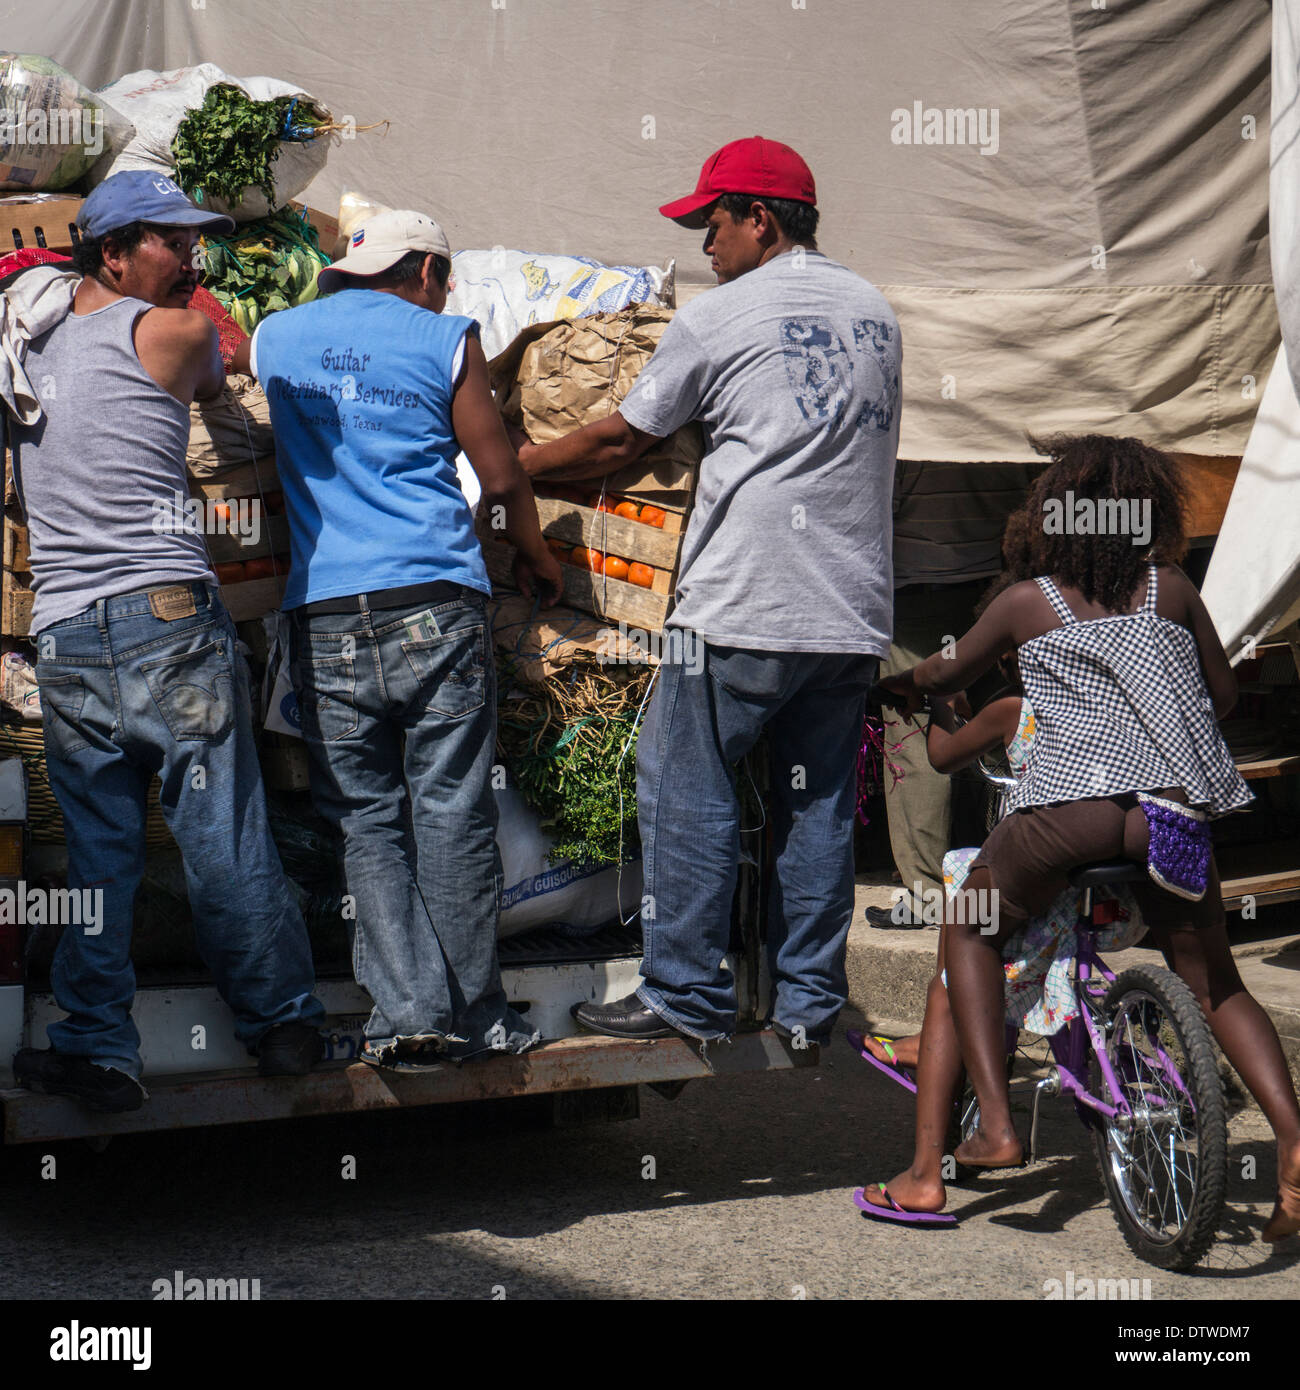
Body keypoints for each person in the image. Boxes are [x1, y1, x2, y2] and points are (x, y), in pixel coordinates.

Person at [517, 136, 901, 1045]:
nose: (705, 246)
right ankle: (808, 1005)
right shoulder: (876, 311)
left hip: (743, 605)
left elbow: (621, 441)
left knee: (684, 782)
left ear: (760, 219)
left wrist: (510, 468)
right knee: (815, 806)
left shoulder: (721, 317)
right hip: (851, 615)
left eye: (713, 223)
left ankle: (684, 993)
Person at [882, 434, 1300, 1242]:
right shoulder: (1171, 588)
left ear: (1052, 514)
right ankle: (1293, 1139)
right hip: (1168, 813)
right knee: (1216, 982)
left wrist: (899, 684)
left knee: (970, 928)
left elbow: (946, 676)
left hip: (1071, 812)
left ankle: (998, 1127)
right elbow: (1219, 696)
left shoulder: (1027, 602)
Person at [10, 171, 326, 1112]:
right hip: (166, 621)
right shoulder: (178, 332)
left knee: (100, 852)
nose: (191, 258)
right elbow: (224, 370)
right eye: (171, 242)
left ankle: (101, 1048)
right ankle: (282, 1024)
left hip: (65, 629)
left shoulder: (21, 351)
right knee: (219, 831)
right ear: (112, 252)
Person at [241, 208, 563, 1067]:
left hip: (329, 613)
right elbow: (499, 479)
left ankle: (407, 1017)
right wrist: (530, 556)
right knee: (452, 814)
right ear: (421, 270)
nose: (445, 291)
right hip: (436, 599)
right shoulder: (443, 338)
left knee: (368, 825)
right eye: (442, 276)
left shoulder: (278, 335)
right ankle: (476, 1017)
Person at [853, 659, 1144, 1224]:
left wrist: (940, 701)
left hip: (1041, 895)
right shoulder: (1116, 707)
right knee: (973, 883)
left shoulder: (1013, 711)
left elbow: (942, 755)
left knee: (955, 946)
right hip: (1116, 900)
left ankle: (924, 1173)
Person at [867, 458, 1040, 928]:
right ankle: (1002, 876)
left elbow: (874, 508)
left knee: (914, 733)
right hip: (995, 594)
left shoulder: (919, 428)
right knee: (994, 727)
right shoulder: (1005, 412)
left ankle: (928, 894)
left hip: (921, 593)